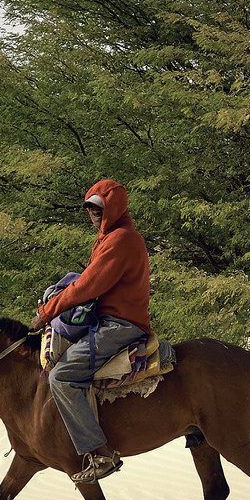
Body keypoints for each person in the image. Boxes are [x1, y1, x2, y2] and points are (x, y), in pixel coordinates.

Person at [35, 179, 151, 483]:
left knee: (61, 376)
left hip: (120, 324)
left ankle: (102, 453)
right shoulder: (109, 237)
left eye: (99, 208)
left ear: (114, 208)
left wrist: (47, 312)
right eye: (89, 208)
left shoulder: (120, 240)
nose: (93, 214)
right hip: (109, 319)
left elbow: (88, 286)